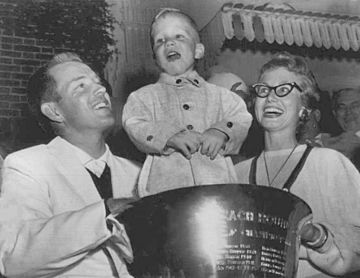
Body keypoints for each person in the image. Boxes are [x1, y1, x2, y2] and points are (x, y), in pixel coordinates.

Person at [0, 52, 141, 278]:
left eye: (98, 82)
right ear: (54, 111)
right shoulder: (27, 165)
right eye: (81, 86)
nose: (101, 90)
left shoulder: (140, 173)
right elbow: (15, 258)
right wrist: (108, 210)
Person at [234, 52, 360, 277]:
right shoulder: (235, 174)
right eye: (264, 90)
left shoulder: (329, 164)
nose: (271, 98)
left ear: (304, 107)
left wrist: (323, 246)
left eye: (283, 90)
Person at [122, 8, 252, 197]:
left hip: (217, 187)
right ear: (155, 59)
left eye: (179, 36)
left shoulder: (221, 96)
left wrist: (221, 131)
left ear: (198, 50)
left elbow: (240, 116)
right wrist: (167, 136)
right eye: (160, 41)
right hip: (165, 189)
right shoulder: (142, 97)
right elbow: (134, 122)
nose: (169, 43)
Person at [318, 87, 360, 170]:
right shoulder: (326, 143)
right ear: (334, 113)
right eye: (342, 107)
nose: (348, 112)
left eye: (355, 106)